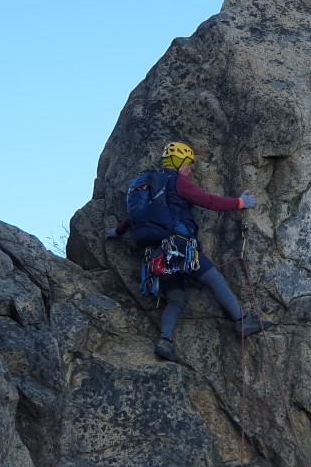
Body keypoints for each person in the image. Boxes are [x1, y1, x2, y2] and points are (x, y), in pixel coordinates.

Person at [108, 141, 270, 363]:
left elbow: (134, 217)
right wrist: (240, 202)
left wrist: (117, 232)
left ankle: (164, 341)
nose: (190, 170)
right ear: (177, 162)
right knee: (213, 278)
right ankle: (242, 321)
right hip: (179, 248)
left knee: (176, 299)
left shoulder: (150, 185)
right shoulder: (177, 182)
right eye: (188, 164)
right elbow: (208, 201)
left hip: (154, 255)